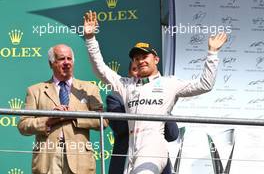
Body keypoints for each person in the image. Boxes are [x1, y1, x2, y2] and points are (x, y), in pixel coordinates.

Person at [84, 11, 227, 174]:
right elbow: (101, 69)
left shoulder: (169, 83)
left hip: (153, 149)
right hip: (131, 150)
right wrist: (90, 39)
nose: (141, 61)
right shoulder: (127, 85)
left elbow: (205, 84)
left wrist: (212, 54)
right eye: (136, 58)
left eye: (145, 56)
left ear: (156, 59)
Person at [17, 44, 108, 174]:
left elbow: (103, 121)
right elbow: (23, 125)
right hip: (47, 158)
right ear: (51, 63)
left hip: (80, 158)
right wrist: (48, 120)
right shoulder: (35, 90)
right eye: (61, 59)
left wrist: (74, 115)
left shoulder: (89, 88)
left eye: (69, 59)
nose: (66, 63)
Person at [107, 62, 178, 174]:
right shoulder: (115, 98)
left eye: (142, 68)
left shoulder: (160, 99)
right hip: (125, 161)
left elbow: (173, 135)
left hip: (154, 162)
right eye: (135, 69)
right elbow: (121, 128)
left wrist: (160, 108)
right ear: (129, 74)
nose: (139, 72)